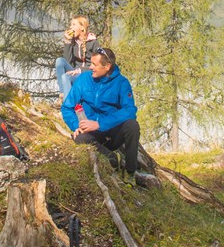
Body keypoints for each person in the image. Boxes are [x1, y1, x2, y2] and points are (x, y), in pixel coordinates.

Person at [61, 48, 158, 187]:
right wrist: (76, 125)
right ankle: (112, 158)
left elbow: (130, 110)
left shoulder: (122, 83)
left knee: (132, 126)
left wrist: (99, 123)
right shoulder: (83, 79)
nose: (91, 67)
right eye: (91, 63)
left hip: (112, 133)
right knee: (79, 138)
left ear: (107, 66)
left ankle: (130, 172)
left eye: (95, 64)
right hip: (91, 134)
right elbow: (67, 107)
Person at [55, 15, 102, 99]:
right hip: (75, 72)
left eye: (74, 24)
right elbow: (68, 61)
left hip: (88, 74)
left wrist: (80, 70)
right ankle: (62, 94)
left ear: (82, 28)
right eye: (71, 24)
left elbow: (97, 64)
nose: (70, 27)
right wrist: (68, 42)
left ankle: (68, 105)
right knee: (59, 61)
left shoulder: (93, 43)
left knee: (66, 77)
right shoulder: (74, 41)